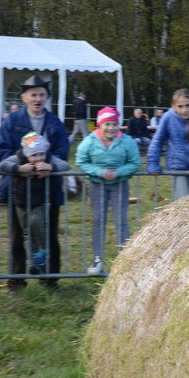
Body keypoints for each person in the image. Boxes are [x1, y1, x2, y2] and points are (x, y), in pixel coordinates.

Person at [0, 75, 70, 291]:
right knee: (17, 236)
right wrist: (21, 167)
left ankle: (50, 280)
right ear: (24, 97)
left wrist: (50, 166)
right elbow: (2, 149)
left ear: (47, 97)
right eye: (33, 95)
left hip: (48, 190)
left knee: (49, 234)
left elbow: (62, 151)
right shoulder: (12, 121)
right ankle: (16, 282)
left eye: (42, 95)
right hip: (18, 189)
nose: (38, 99)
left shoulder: (55, 122)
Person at [75, 107, 142, 275]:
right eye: (107, 124)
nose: (111, 128)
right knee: (98, 221)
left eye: (114, 124)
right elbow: (81, 161)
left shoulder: (127, 141)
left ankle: (124, 261)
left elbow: (135, 162)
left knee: (121, 221)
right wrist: (100, 172)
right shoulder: (90, 141)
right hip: (98, 186)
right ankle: (98, 260)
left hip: (120, 185)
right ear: (99, 125)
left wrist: (118, 172)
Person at [0, 132, 70, 280]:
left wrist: (50, 166)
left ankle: (44, 250)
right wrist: (19, 169)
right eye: (34, 155)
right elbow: (3, 165)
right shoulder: (19, 157)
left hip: (40, 200)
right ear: (26, 153)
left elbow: (65, 165)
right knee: (27, 232)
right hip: (21, 201)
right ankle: (35, 263)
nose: (39, 158)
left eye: (41, 154)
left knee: (35, 221)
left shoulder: (48, 158)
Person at [147, 88, 189, 200]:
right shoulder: (168, 117)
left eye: (187, 105)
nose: (184, 110)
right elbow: (157, 142)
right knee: (181, 203)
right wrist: (153, 164)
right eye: (180, 106)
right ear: (173, 106)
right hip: (177, 168)